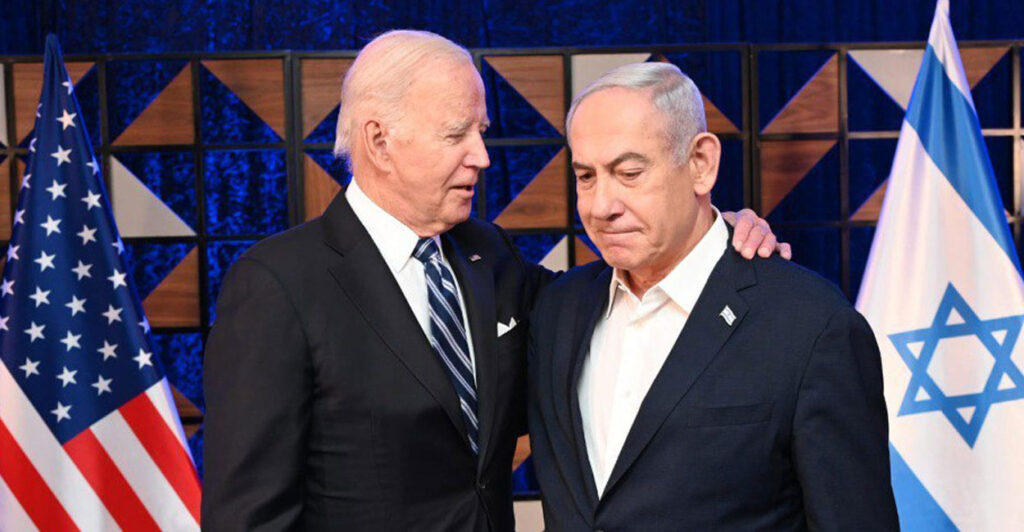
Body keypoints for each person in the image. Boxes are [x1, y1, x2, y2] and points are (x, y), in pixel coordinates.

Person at [201, 30, 783, 531]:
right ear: (379, 142)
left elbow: (606, 306)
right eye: (457, 136)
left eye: (480, 131)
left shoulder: (487, 252)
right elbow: (249, 516)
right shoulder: (278, 285)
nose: (482, 156)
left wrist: (709, 231)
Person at [527, 62, 899, 531]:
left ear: (700, 164)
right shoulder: (558, 310)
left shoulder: (811, 327)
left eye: (629, 172)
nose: (602, 206)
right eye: (586, 177)